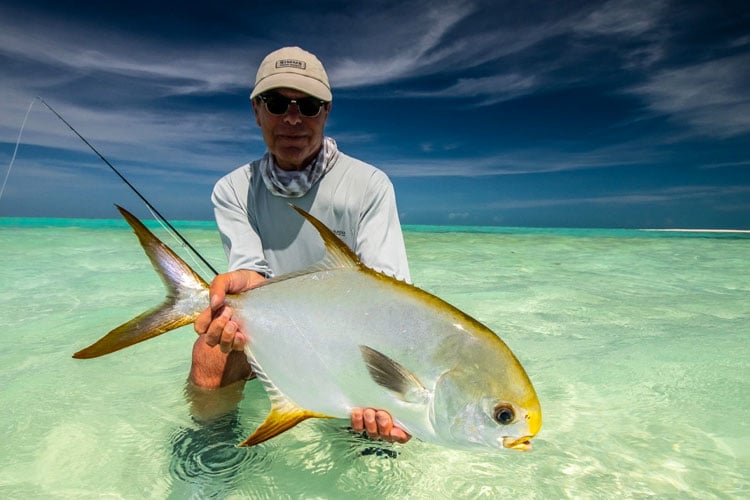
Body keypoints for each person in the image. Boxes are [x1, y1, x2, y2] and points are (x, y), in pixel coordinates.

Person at [190, 46, 412, 444]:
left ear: (325, 113)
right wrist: (242, 290)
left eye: (308, 106)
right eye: (277, 104)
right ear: (257, 111)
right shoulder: (232, 189)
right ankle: (213, 456)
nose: (293, 118)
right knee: (211, 351)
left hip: (351, 340)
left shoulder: (370, 185)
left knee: (384, 424)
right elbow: (251, 273)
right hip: (269, 332)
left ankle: (368, 454)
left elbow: (389, 296)